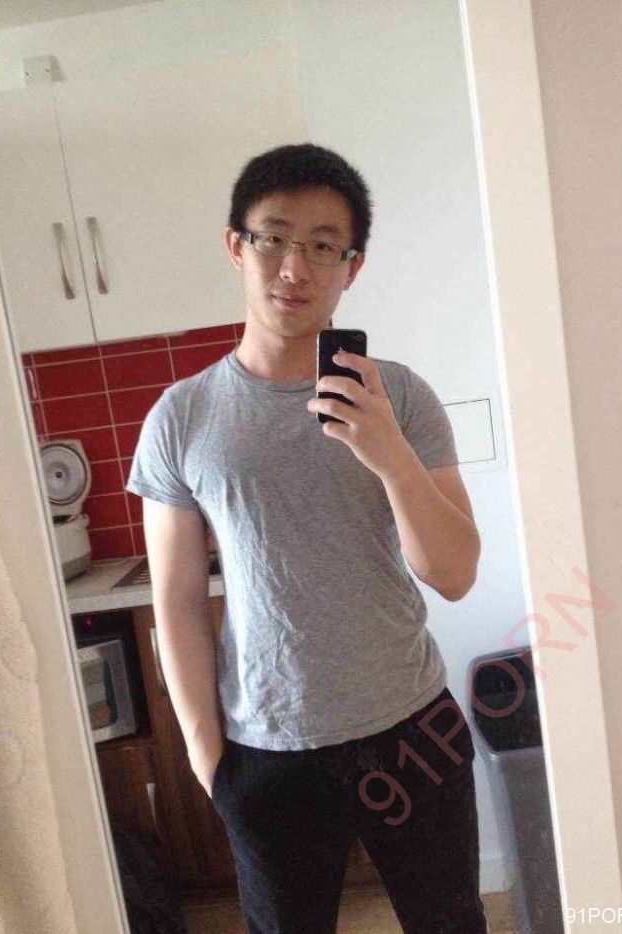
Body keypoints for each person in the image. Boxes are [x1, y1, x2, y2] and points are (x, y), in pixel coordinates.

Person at [126, 143, 487, 933]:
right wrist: (207, 757)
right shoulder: (181, 418)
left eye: (324, 246)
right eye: (274, 238)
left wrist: (388, 453)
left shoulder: (401, 398)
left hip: (412, 728)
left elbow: (455, 573)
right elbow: (178, 602)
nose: (294, 268)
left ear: (352, 268)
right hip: (266, 749)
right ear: (236, 246)